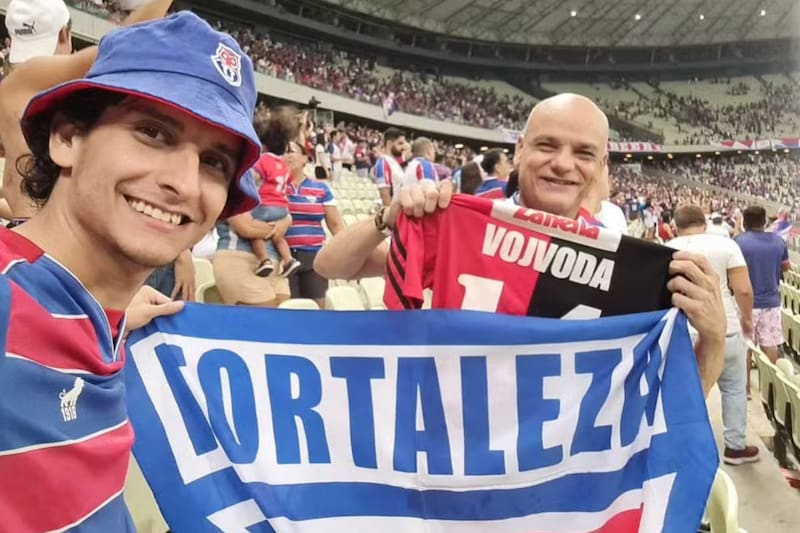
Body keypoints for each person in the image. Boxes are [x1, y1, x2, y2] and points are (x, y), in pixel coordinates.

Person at [0, 12, 262, 530]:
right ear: (67, 138)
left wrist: (111, 314)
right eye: (153, 133)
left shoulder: (92, 310)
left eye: (214, 162)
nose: (184, 183)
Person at [314, 93, 725, 397]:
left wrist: (713, 338)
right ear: (520, 150)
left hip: (551, 492)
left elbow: (670, 407)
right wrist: (388, 217)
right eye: (548, 145)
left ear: (601, 167)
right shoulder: (462, 226)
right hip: (448, 466)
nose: (563, 163)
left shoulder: (624, 263)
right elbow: (330, 267)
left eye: (583, 153)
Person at [0, 0, 173, 225]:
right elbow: (121, 45)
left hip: (27, 227)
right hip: (48, 236)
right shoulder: (37, 75)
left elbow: (15, 183)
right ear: (64, 33)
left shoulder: (10, 87)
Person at [667, 205, 759, 465]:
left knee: (686, 393)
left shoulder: (666, 246)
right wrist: (748, 320)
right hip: (725, 326)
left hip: (682, 332)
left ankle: (682, 448)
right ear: (704, 223)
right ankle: (735, 447)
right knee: (734, 389)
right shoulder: (727, 245)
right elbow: (743, 290)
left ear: (676, 226)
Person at [284, 139, 343, 307]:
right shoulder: (276, 187)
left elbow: (335, 225)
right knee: (289, 310)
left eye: (292, 151)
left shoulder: (321, 188)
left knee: (317, 308)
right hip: (284, 257)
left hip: (314, 258)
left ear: (305, 158)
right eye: (285, 151)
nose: (287, 155)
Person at [249, 107, 302, 277]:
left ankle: (264, 260)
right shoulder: (284, 165)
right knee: (278, 236)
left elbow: (254, 177)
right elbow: (286, 183)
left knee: (255, 232)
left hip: (265, 204)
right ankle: (288, 260)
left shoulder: (263, 159)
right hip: (281, 207)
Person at [735, 205, 790, 364]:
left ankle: (746, 388)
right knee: (770, 344)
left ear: (745, 222)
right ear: (764, 221)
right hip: (772, 302)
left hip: (745, 302)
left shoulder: (739, 242)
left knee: (745, 346)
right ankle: (770, 385)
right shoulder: (778, 241)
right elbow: (786, 267)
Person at [373, 127, 406, 206]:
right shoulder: (383, 163)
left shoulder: (395, 162)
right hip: (393, 213)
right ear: (390, 144)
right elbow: (385, 195)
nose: (403, 147)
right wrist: (391, 216)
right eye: (400, 143)